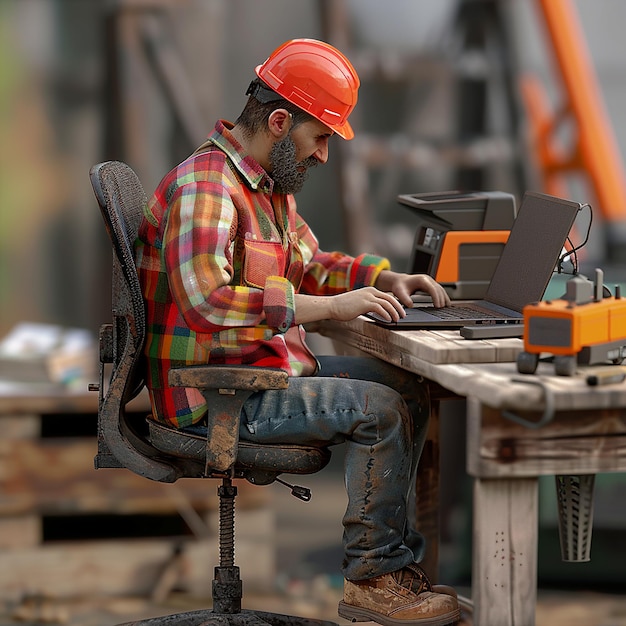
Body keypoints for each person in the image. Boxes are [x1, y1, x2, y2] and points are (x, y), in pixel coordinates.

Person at [135, 38, 460, 626]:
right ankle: (372, 580)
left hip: (260, 370)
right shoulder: (206, 189)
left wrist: (385, 279)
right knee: (379, 409)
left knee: (409, 389)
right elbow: (209, 302)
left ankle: (394, 569)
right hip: (217, 393)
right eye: (322, 138)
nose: (324, 155)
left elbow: (311, 263)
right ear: (281, 121)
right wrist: (332, 310)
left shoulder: (265, 190)